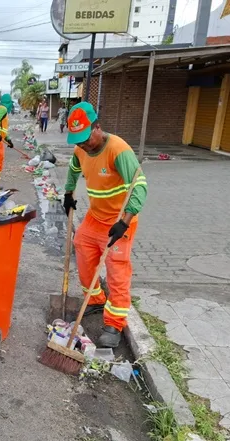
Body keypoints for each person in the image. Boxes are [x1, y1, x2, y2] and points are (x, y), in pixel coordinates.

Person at [62, 102, 148, 348]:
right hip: (95, 216)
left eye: (86, 138)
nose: (83, 144)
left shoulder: (118, 150)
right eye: (77, 140)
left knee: (116, 267)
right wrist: (68, 194)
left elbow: (140, 186)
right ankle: (96, 299)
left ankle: (114, 323)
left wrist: (124, 222)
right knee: (82, 247)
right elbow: (73, 168)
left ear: (97, 127)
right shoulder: (80, 150)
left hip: (120, 219)